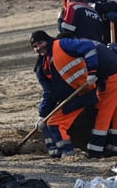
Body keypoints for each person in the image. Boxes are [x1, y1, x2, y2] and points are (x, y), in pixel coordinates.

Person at [30, 30, 99, 158]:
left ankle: (68, 153)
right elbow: (49, 93)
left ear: (47, 40)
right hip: (68, 99)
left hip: (83, 94)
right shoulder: (41, 67)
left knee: (55, 122)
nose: (38, 48)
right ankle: (55, 154)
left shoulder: (61, 45)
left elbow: (88, 47)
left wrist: (92, 72)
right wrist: (42, 114)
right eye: (35, 46)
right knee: (45, 123)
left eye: (40, 43)